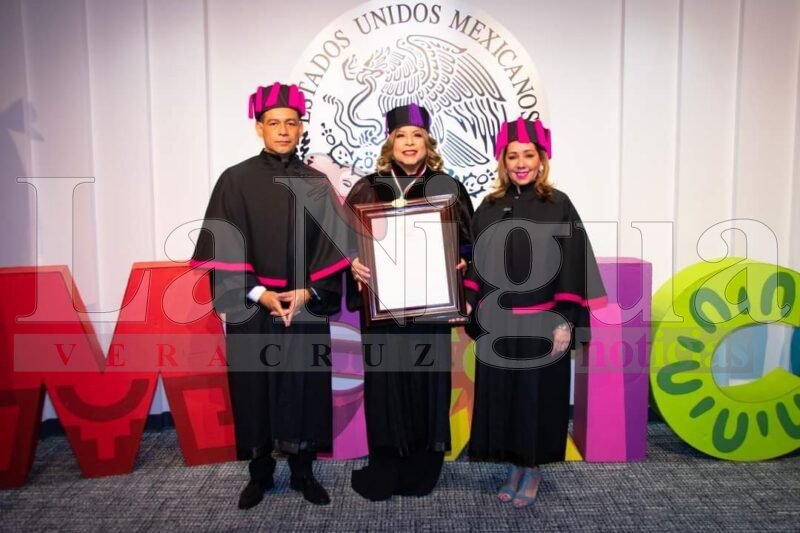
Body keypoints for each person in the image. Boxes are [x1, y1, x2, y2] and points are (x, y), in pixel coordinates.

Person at [191, 82, 349, 509]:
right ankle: (259, 474)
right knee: (254, 390)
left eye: (291, 123)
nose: (283, 130)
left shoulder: (316, 183)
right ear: (259, 127)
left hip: (304, 306)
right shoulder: (235, 180)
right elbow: (223, 244)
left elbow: (334, 248)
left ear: (301, 128)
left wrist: (309, 292)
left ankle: (303, 472)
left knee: (305, 388)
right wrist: (258, 292)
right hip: (254, 307)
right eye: (274, 122)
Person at [465, 118, 605, 508]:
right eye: (513, 156)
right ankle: (514, 465)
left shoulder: (558, 204)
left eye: (528, 155)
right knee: (505, 398)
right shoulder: (490, 207)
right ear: (503, 162)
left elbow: (573, 265)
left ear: (541, 160)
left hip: (544, 322)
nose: (521, 163)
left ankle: (533, 469)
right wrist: (469, 299)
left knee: (535, 400)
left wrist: (566, 321)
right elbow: (476, 262)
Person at [345, 103, 474, 501]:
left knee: (426, 386)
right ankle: (386, 467)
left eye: (417, 135)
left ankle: (422, 469)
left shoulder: (447, 188)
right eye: (401, 135)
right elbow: (343, 241)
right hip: (382, 312)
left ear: (428, 142)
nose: (409, 143)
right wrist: (352, 263)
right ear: (390, 143)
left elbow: (470, 242)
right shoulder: (368, 187)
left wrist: (463, 262)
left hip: (429, 312)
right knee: (386, 388)